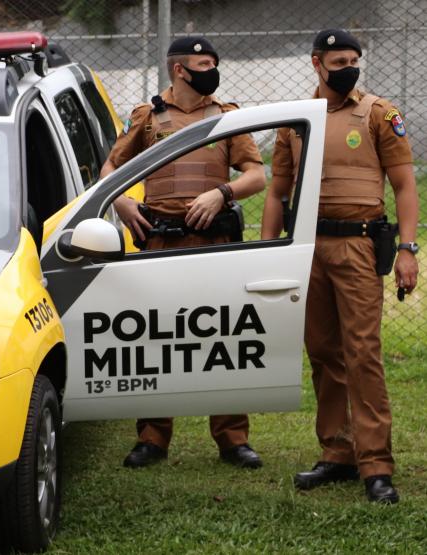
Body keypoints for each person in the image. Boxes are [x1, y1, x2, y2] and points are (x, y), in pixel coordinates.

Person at [261, 29, 418, 504]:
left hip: (358, 246)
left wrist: (408, 248)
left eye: (354, 58)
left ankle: (376, 465)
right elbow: (277, 191)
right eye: (339, 59)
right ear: (316, 62)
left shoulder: (377, 113)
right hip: (307, 249)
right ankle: (337, 452)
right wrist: (269, 249)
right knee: (324, 352)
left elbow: (405, 186)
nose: (349, 66)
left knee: (363, 353)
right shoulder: (296, 121)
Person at [100, 36, 266, 469]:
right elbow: (110, 168)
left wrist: (221, 193)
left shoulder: (227, 117)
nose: (212, 69)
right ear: (179, 70)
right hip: (161, 242)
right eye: (203, 63)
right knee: (156, 338)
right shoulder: (148, 117)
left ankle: (233, 439)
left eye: (213, 62)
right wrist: (120, 201)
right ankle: (152, 438)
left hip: (215, 243)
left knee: (224, 338)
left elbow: (256, 175)